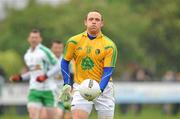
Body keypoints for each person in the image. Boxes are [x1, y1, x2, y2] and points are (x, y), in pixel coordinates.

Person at [60, 10, 117, 119]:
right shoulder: (74, 41)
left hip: (104, 89)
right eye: (91, 19)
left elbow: (108, 71)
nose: (94, 22)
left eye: (97, 20)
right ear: (85, 22)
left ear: (102, 23)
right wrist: (67, 83)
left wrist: (99, 89)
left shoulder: (109, 45)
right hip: (81, 86)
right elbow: (65, 62)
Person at [10, 29, 58, 119]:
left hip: (48, 90)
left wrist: (45, 76)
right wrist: (20, 77)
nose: (34, 39)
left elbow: (58, 66)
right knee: (33, 116)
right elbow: (32, 73)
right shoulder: (27, 54)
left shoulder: (45, 51)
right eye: (32, 37)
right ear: (28, 39)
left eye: (36, 37)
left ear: (40, 39)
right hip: (34, 89)